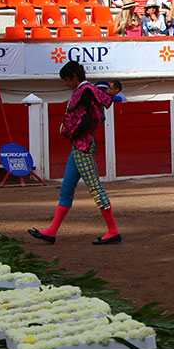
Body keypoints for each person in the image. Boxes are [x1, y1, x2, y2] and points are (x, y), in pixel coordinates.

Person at [29, 61, 121, 246]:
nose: (66, 84)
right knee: (66, 190)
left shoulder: (83, 91)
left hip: (82, 146)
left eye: (66, 80)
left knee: (95, 188)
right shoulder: (92, 91)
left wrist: (66, 130)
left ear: (74, 77)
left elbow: (83, 119)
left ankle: (113, 231)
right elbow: (97, 116)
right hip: (80, 145)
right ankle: (52, 231)